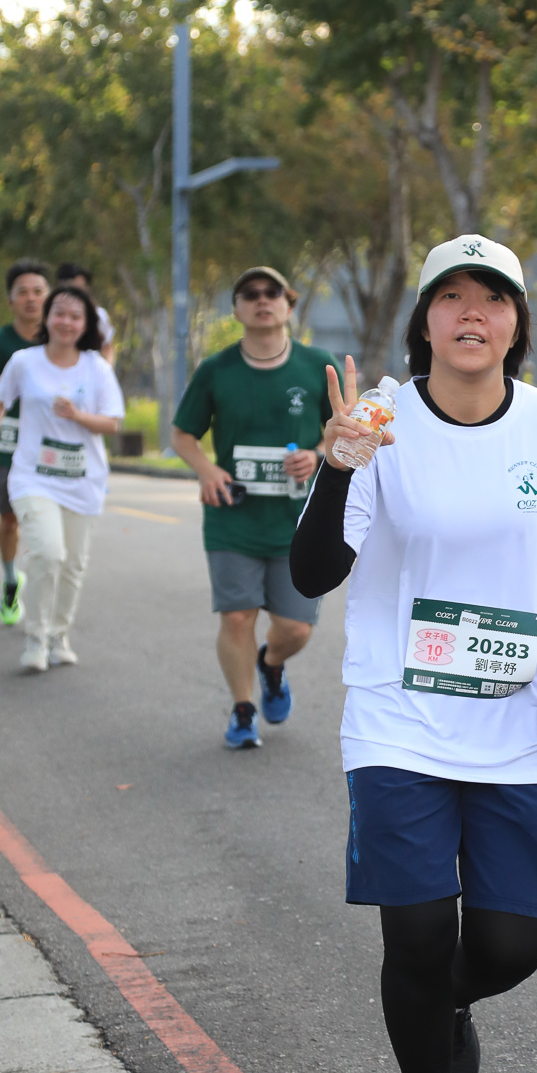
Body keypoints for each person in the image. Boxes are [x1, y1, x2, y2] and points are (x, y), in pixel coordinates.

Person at [290, 234, 537, 1073]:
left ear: (517, 323)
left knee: (511, 946)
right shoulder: (380, 423)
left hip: (521, 721)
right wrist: (338, 467)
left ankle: (446, 1003)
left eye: (493, 299)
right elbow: (313, 572)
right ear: (424, 320)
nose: (473, 314)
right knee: (419, 933)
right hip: (400, 717)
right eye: (451, 297)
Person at [171, 267, 336, 749]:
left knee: (296, 628)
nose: (262, 300)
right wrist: (207, 470)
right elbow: (182, 434)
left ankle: (272, 663)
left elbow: (343, 430)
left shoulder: (317, 365)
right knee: (237, 616)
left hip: (299, 522)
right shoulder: (216, 370)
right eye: (250, 294)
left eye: (272, 292)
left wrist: (318, 454)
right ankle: (243, 711)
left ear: (289, 304)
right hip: (233, 517)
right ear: (237, 309)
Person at [0, 283, 123, 672]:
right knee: (48, 552)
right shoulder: (24, 361)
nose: (66, 322)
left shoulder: (96, 368)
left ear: (86, 325)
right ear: (47, 317)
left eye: (75, 316)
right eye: (59, 313)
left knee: (73, 564)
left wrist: (77, 415)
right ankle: (36, 638)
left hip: (83, 479)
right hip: (33, 476)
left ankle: (59, 635)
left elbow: (111, 422)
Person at [0, 259, 50, 625]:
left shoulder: (61, 337)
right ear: (11, 300)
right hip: (7, 445)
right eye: (23, 293)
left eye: (38, 291)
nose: (31, 299)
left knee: (47, 524)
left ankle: (45, 593)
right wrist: (26, 372)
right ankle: (10, 580)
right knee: (9, 519)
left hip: (50, 448)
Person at [55, 263, 116, 367]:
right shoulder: (49, 315)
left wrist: (106, 371)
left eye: (80, 289)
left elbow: (107, 348)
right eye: (70, 289)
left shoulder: (98, 315)